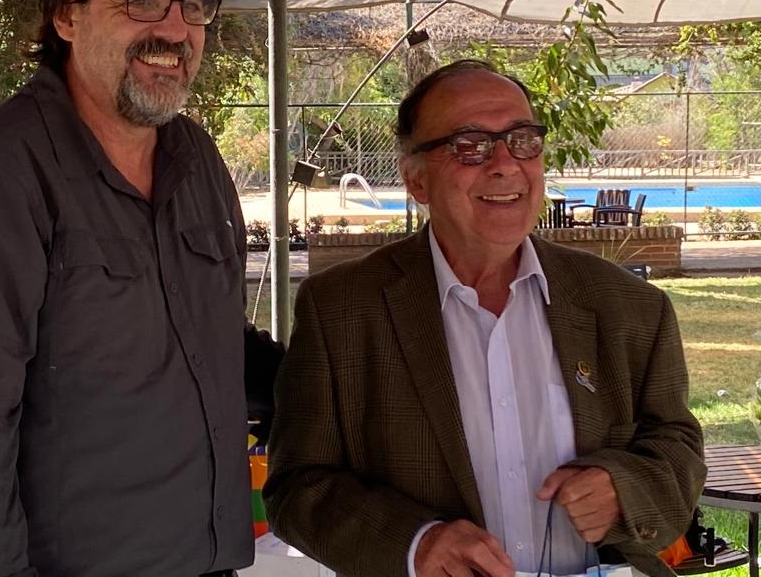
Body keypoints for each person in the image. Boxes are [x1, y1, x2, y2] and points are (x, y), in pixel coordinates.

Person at [0, 0, 282, 577]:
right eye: (142, 0)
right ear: (66, 14)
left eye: (191, 5)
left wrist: (353, 377)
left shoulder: (195, 158)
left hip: (212, 562)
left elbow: (213, 345)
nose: (174, 30)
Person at [263, 59, 705, 577]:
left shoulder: (629, 306)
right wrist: (416, 544)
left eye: (523, 140)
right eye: (469, 145)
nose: (504, 164)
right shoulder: (342, 308)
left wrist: (622, 489)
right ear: (416, 180)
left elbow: (678, 449)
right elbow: (297, 488)